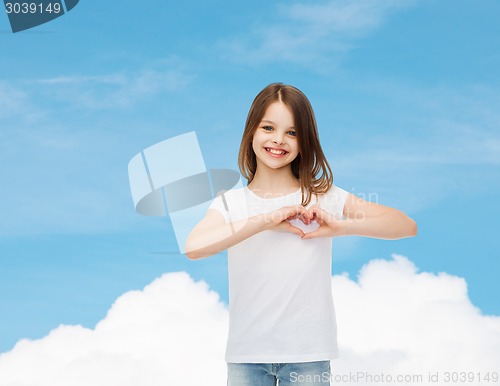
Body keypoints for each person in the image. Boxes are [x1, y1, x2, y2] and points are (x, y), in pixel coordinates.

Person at [184, 83, 417, 386]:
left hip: (309, 354)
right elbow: (194, 247)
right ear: (251, 132)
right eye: (268, 127)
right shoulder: (232, 203)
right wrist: (265, 219)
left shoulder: (321, 195)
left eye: (292, 133)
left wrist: (343, 226)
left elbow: (404, 225)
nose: (278, 140)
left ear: (305, 141)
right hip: (247, 355)